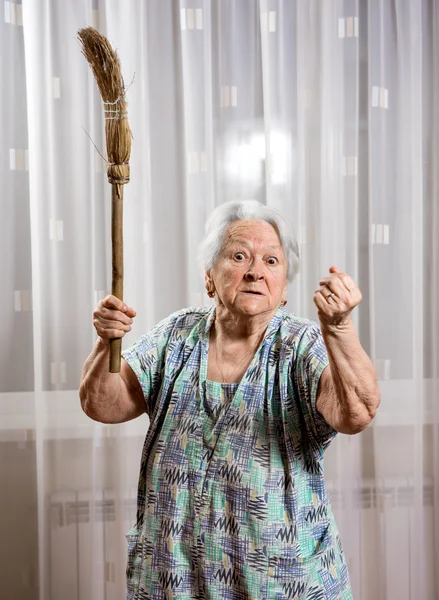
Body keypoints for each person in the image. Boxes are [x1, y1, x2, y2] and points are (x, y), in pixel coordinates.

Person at [80, 200, 380, 600]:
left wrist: (339, 329)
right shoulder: (176, 335)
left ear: (284, 287)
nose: (255, 270)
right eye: (239, 256)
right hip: (175, 576)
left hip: (279, 582)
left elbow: (356, 412)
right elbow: (104, 404)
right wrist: (107, 343)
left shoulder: (301, 345)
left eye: (272, 261)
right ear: (209, 278)